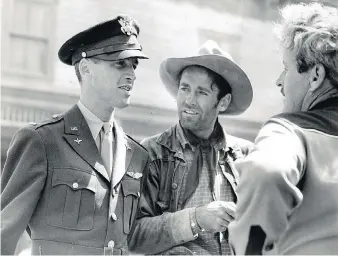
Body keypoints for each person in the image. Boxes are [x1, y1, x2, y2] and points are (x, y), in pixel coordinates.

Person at [1, 15, 149, 255]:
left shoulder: (137, 154)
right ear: (85, 68)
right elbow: (4, 235)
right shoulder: (42, 141)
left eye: (134, 64)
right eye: (120, 63)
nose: (131, 73)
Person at [228, 3, 338, 255]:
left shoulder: (289, 130)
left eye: (286, 68)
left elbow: (265, 171)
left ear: (315, 76)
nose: (279, 81)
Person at [128, 40, 253, 255]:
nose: (189, 100)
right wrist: (196, 219)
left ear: (223, 102)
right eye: (184, 88)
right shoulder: (150, 153)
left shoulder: (246, 155)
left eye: (201, 92)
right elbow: (134, 235)